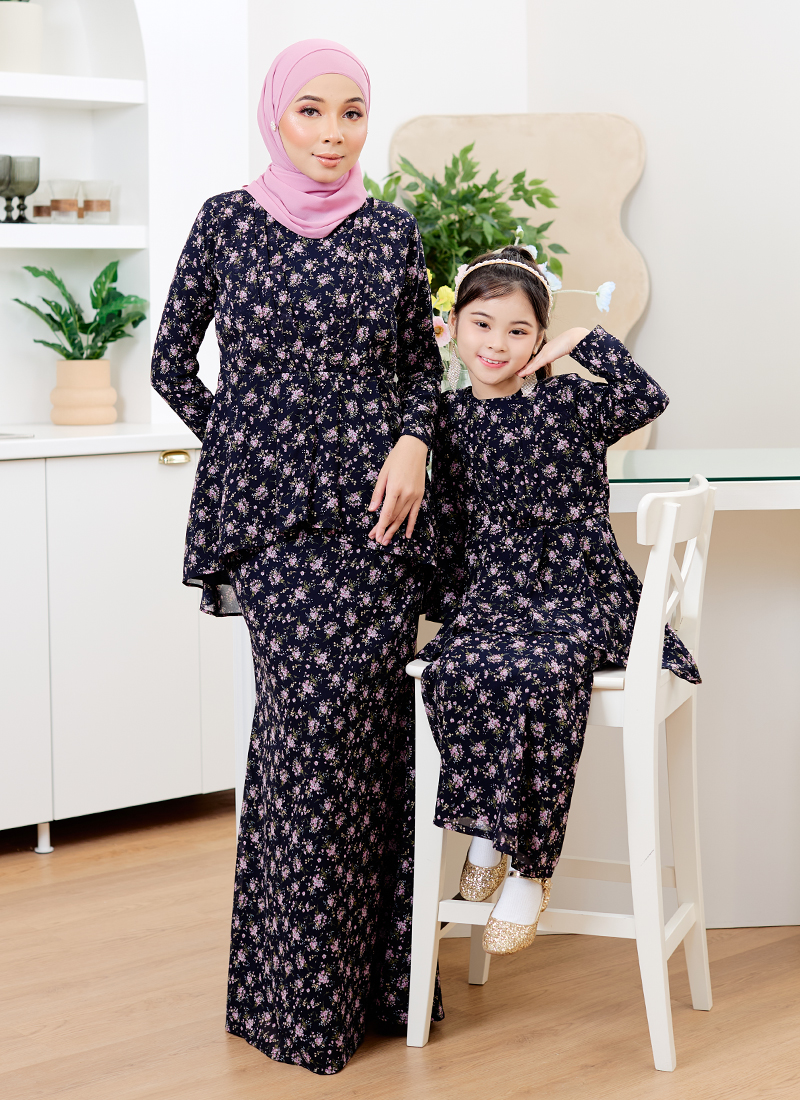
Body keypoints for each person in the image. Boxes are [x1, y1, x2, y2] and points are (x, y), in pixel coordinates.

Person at [151, 40, 443, 1075]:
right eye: (310, 110)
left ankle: (378, 992)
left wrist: (411, 442)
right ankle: (296, 1004)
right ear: (276, 116)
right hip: (275, 532)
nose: (332, 132)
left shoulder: (392, 231)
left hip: (378, 526)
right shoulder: (227, 222)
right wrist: (250, 447)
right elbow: (171, 361)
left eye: (351, 112)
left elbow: (419, 368)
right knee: (304, 739)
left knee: (370, 744)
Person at [419, 246, 700, 957]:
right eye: (482, 324)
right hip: (495, 596)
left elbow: (647, 398)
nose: (497, 344)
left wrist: (585, 342)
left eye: (518, 330)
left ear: (539, 338)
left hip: (581, 590)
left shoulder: (569, 402)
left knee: (542, 672)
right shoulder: (444, 420)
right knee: (454, 671)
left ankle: (530, 868)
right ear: (454, 328)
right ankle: (489, 830)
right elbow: (445, 521)